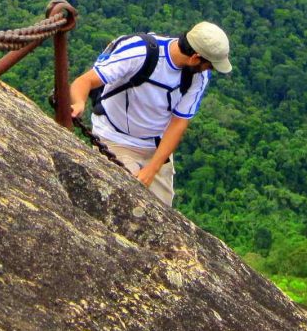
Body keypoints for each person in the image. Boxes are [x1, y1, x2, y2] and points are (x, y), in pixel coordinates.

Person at [69, 22, 232, 206]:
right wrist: (79, 103)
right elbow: (85, 81)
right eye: (209, 65)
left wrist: (152, 169)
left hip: (156, 147)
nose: (209, 70)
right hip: (116, 139)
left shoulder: (198, 76)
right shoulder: (140, 52)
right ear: (195, 58)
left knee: (163, 216)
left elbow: (179, 123)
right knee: (126, 204)